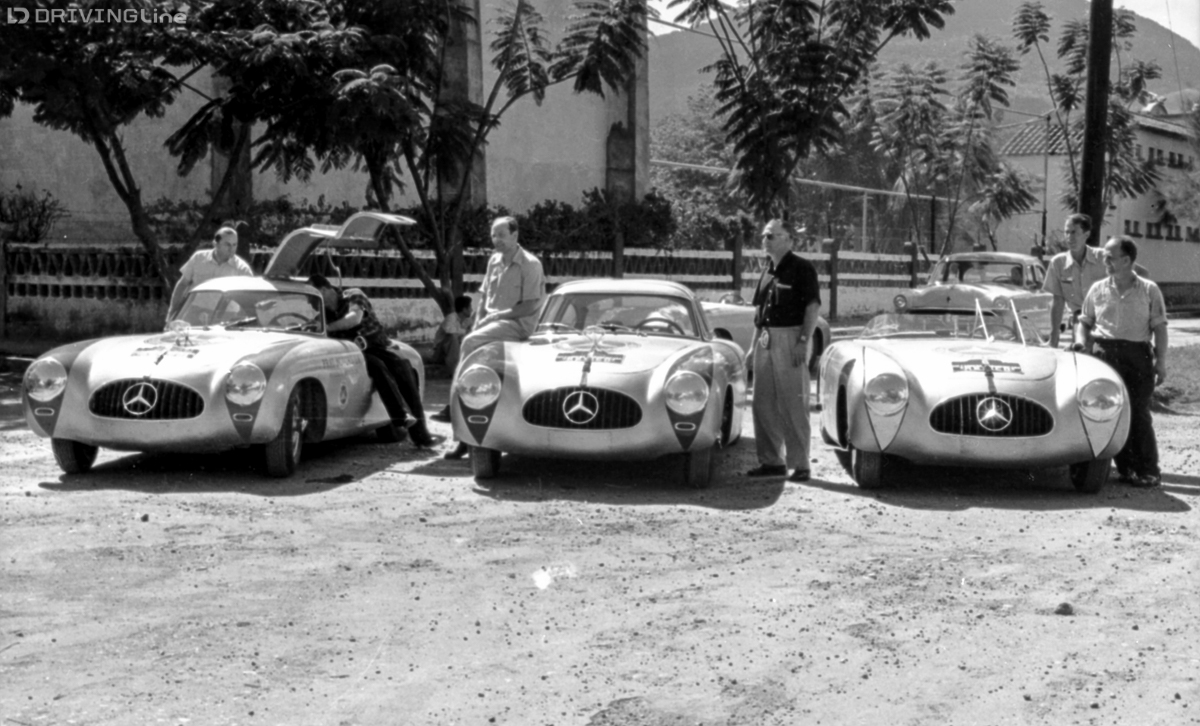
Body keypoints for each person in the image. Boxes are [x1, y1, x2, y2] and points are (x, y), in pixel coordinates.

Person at [443, 216, 545, 459]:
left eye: (501, 235)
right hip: (494, 324)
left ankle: (453, 404)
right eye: (493, 235)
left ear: (515, 235)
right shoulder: (494, 262)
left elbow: (531, 306)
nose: (496, 240)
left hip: (518, 326)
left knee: (468, 344)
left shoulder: (530, 264)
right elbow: (484, 299)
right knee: (472, 342)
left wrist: (495, 317)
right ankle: (465, 437)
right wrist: (477, 323)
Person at [1074, 236, 1168, 488]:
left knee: (1137, 413)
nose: (1105, 260)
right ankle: (1127, 470)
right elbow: (1084, 322)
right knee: (1111, 412)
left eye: (1110, 256)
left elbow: (1160, 329)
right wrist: (1081, 343)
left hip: (1137, 356)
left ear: (1126, 260)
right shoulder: (1098, 289)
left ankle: (1149, 470)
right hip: (1105, 356)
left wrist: (1162, 363)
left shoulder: (1149, 289)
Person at [309, 275, 435, 448]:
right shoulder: (322, 313)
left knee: (403, 370)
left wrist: (328, 327)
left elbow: (355, 318)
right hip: (355, 353)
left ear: (323, 290)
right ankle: (401, 417)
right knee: (377, 366)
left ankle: (421, 436)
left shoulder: (353, 295)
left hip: (377, 345)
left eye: (314, 297)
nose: (312, 304)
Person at [746, 218, 821, 483]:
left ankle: (800, 465)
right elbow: (759, 313)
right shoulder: (767, 269)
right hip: (765, 340)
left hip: (791, 338)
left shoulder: (802, 268)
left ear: (789, 239)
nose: (765, 240)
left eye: (772, 236)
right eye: (764, 235)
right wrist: (752, 346)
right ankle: (771, 461)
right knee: (762, 403)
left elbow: (812, 307)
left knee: (793, 403)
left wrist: (803, 341)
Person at [1042, 214, 1107, 348]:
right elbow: (1058, 301)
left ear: (1086, 234)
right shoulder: (1058, 263)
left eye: (1074, 232)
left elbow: (1136, 272)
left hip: (1106, 319)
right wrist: (1054, 339)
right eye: (1067, 232)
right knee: (1081, 353)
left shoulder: (1102, 257)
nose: (1069, 237)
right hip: (1080, 319)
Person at [167, 225, 254, 321]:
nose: (232, 249)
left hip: (226, 316)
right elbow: (182, 285)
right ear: (216, 244)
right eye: (227, 244)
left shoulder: (242, 269)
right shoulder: (198, 258)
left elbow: (249, 297)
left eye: (234, 244)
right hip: (195, 311)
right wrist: (172, 312)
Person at [425, 294, 474, 372]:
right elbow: (450, 332)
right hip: (440, 353)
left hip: (455, 352)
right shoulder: (451, 318)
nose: (471, 310)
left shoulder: (467, 320)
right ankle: (455, 369)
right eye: (470, 307)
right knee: (452, 337)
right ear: (464, 309)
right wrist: (465, 331)